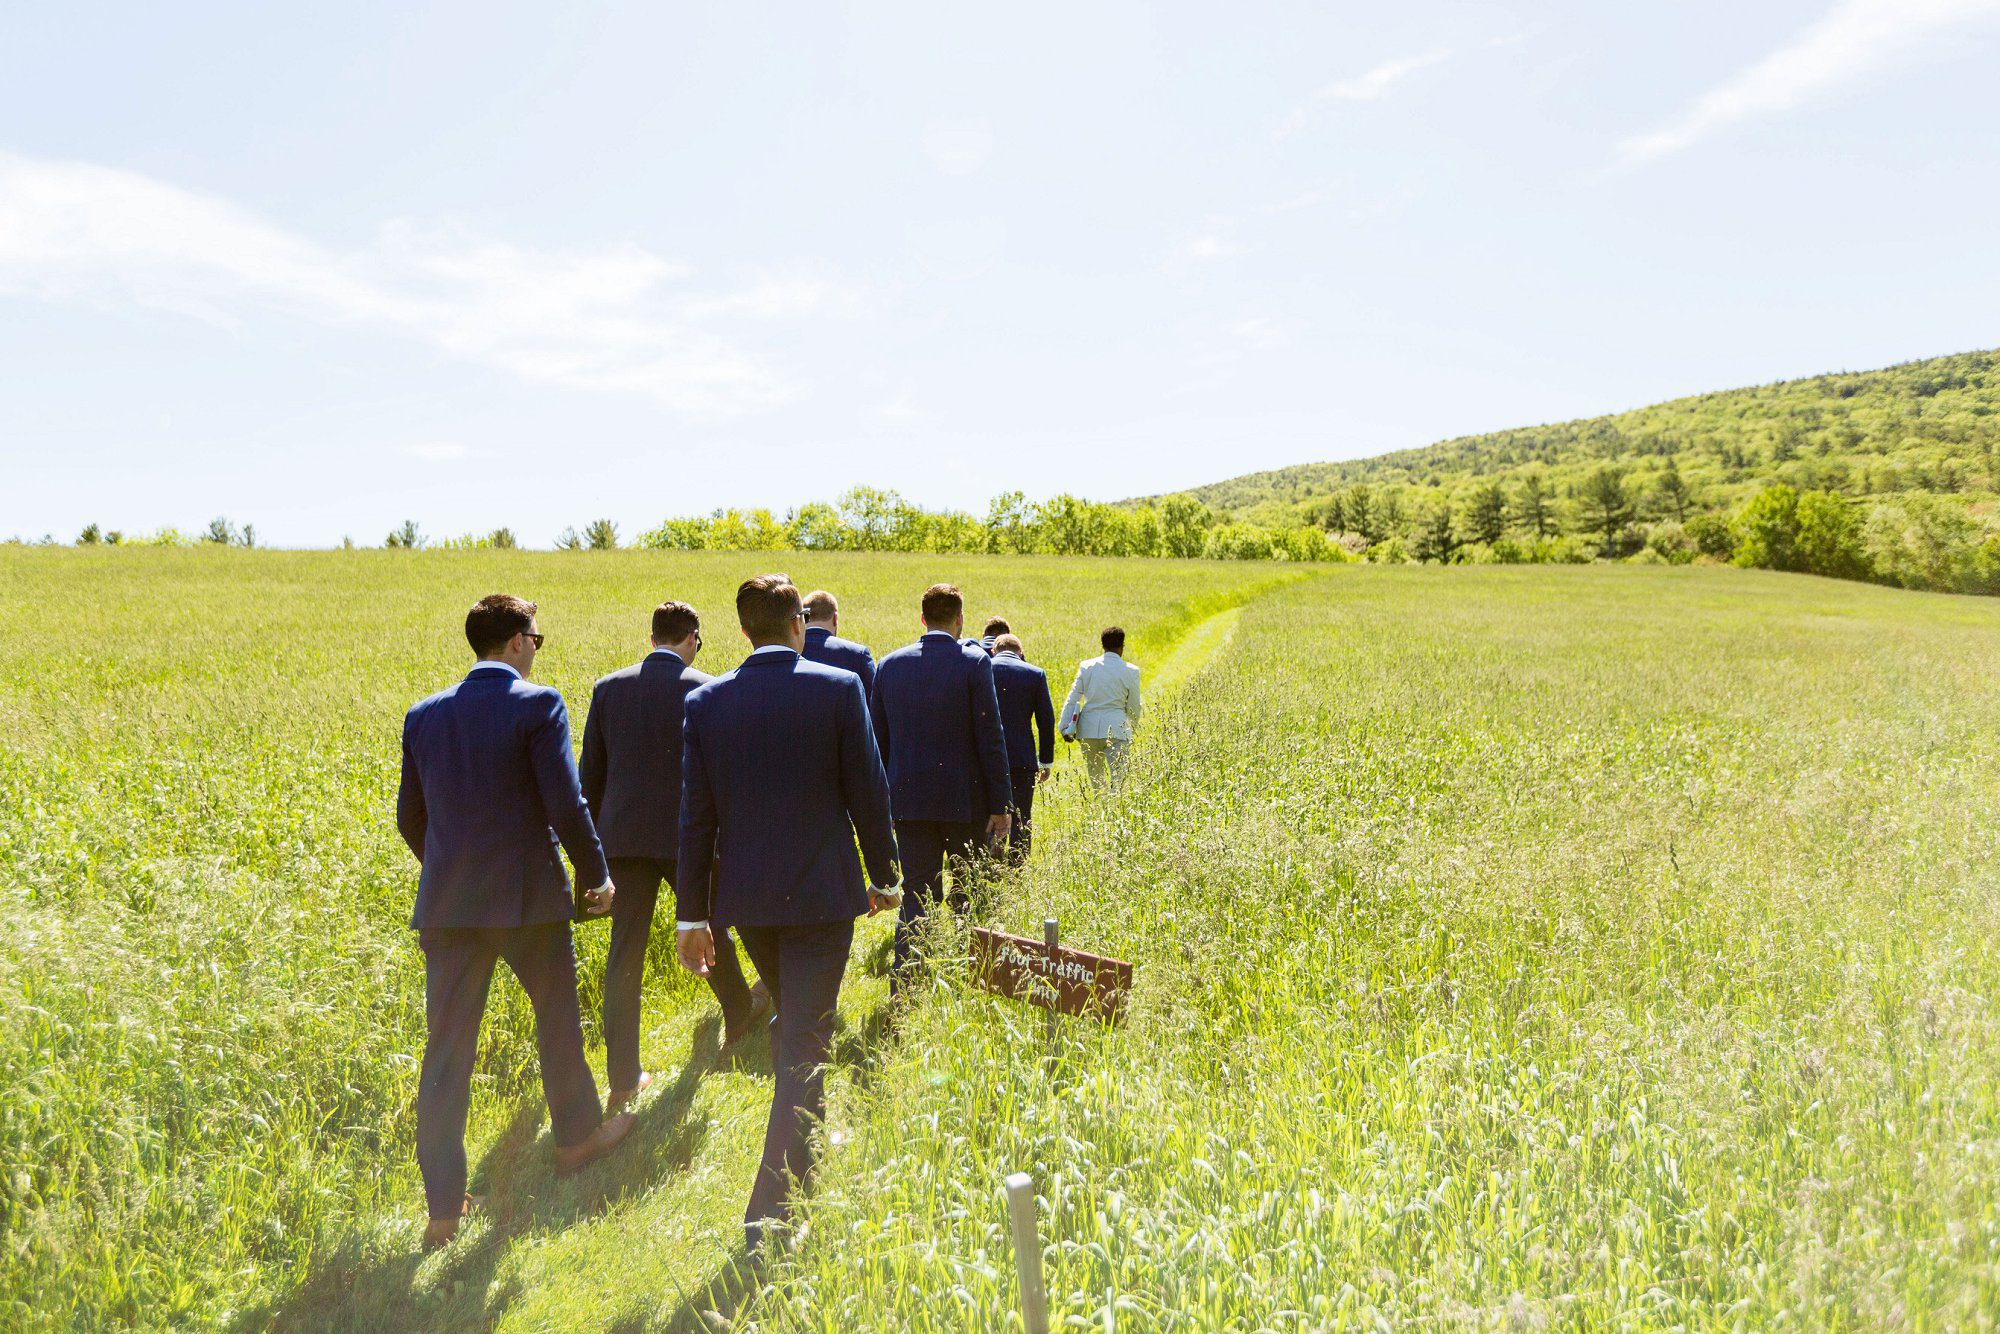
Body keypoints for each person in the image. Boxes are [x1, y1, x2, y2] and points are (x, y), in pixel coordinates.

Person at [397, 594, 634, 1252]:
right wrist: (595, 875)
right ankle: (578, 1140)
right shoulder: (538, 703)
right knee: (557, 1020)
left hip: (449, 907)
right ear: (515, 643)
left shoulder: (424, 716)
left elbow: (409, 820)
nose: (537, 648)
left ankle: (443, 1210)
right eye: (537, 636)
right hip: (528, 899)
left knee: (445, 1054)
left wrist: (452, 871)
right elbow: (565, 799)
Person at [675, 574, 902, 1251]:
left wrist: (693, 915)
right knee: (804, 1039)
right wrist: (886, 876)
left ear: (744, 630)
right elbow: (868, 788)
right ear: (798, 625)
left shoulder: (708, 702)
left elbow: (695, 818)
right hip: (824, 896)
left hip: (747, 904)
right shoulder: (837, 689)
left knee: (797, 1027)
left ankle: (804, 1149)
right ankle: (769, 1217)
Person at [580, 600, 769, 1110]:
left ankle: (623, 1076)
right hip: (688, 837)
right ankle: (737, 1012)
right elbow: (725, 773)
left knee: (625, 956)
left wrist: (591, 853)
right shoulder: (705, 688)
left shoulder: (607, 688)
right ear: (693, 639)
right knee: (709, 923)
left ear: (651, 638)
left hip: (620, 841)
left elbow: (589, 777)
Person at [871, 584, 1011, 987]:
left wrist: (884, 801)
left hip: (909, 801)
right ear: (960, 619)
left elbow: (878, 742)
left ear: (922, 619)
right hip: (964, 801)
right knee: (968, 888)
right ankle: (970, 978)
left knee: (916, 892)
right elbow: (991, 735)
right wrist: (1001, 805)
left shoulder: (890, 665)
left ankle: (907, 984)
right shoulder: (974, 664)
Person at [988, 633, 1056, 863]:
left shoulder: (983, 668)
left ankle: (990, 862)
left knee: (989, 810)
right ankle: (1018, 867)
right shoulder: (1034, 674)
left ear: (993, 651)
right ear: (1020, 652)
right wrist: (1045, 760)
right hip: (1021, 756)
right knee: (1021, 814)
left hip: (987, 756)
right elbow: (1046, 720)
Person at [1059, 625, 1143, 787]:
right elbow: (1134, 705)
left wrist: (1064, 727)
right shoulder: (1131, 671)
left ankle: (1100, 808)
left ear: (1103, 645)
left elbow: (1073, 697)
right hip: (1117, 729)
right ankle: (1116, 809)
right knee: (1119, 779)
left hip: (1089, 729)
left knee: (1096, 779)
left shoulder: (1086, 667)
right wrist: (1132, 726)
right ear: (1122, 646)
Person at [800, 589, 875, 698]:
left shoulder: (791, 651)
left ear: (803, 618)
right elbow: (875, 699)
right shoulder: (857, 654)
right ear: (835, 618)